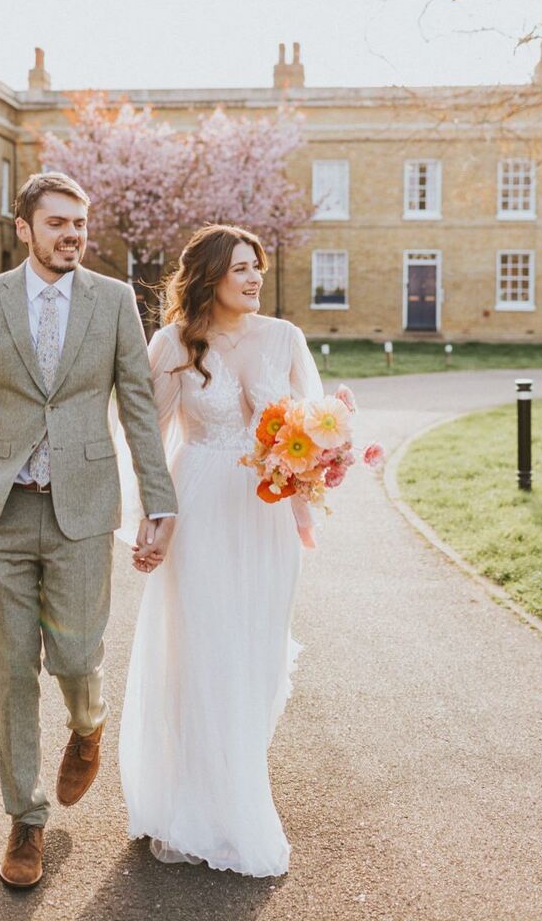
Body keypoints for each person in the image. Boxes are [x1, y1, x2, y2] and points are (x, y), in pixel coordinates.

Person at [0, 172, 177, 888]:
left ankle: (88, 723)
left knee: (75, 658)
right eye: (58, 223)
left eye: (80, 223)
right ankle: (26, 820)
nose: (72, 235)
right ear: (25, 228)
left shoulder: (112, 303)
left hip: (81, 511)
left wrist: (156, 503)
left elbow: (137, 405)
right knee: (13, 673)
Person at [120, 224, 323, 878]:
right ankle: (215, 809)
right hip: (200, 507)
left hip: (263, 517)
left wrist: (313, 482)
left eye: (256, 266)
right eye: (239, 267)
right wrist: (152, 522)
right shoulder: (173, 342)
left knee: (255, 660)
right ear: (209, 275)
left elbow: (314, 427)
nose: (253, 277)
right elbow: (147, 439)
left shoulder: (284, 337)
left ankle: (233, 777)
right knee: (205, 655)